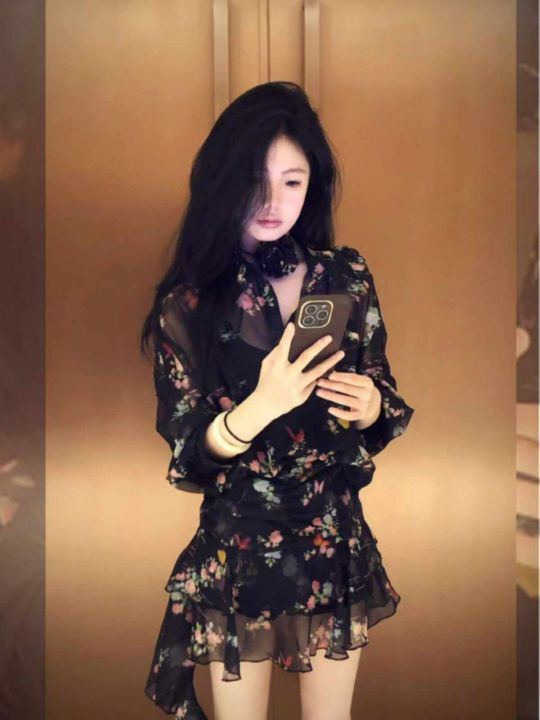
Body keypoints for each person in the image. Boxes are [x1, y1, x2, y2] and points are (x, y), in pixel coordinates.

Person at [140, 81, 414, 720]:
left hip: (332, 536)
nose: (273, 201)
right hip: (238, 542)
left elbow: (383, 395)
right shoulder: (188, 304)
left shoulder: (345, 274)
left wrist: (371, 405)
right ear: (222, 182)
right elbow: (188, 451)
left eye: (292, 182)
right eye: (255, 181)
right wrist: (261, 405)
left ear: (312, 186)